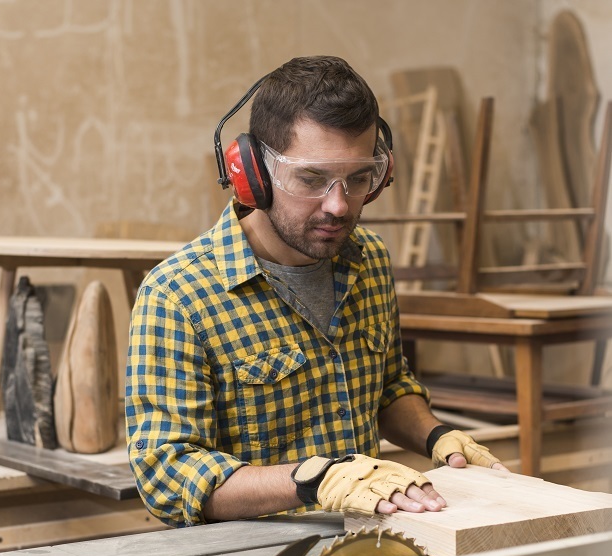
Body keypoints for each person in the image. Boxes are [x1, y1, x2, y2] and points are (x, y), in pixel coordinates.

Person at [125, 56, 506, 528]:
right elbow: (167, 474)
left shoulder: (368, 260)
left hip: (368, 540)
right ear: (253, 172)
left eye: (359, 178)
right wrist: (315, 479)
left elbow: (387, 388)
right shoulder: (178, 295)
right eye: (311, 179)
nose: (338, 205)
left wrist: (437, 436)